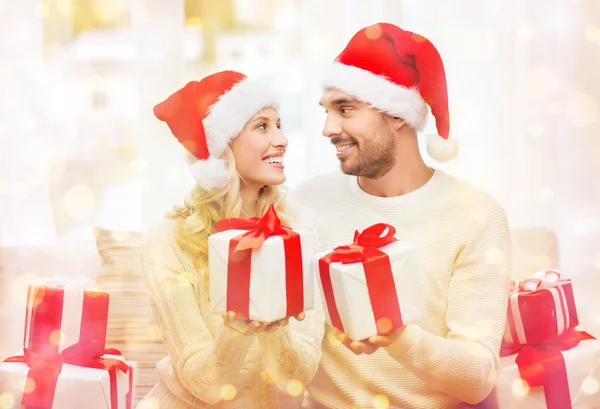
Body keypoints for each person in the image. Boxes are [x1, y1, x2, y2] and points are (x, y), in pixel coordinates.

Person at [292, 23, 512, 409]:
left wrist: (396, 337)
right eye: (327, 111)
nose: (328, 128)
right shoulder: (307, 202)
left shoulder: (475, 215)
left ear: (396, 115)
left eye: (345, 109)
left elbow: (478, 378)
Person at [137, 70, 325, 409]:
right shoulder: (167, 243)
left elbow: (298, 377)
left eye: (279, 124)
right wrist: (239, 326)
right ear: (223, 148)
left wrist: (274, 325)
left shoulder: (300, 232)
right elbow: (205, 385)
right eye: (262, 126)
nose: (282, 139)